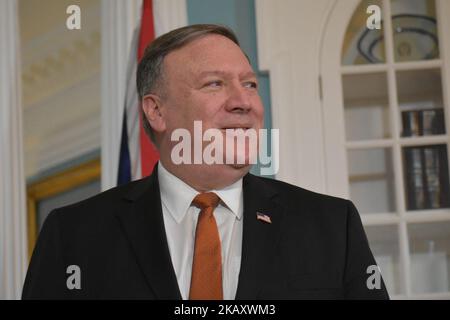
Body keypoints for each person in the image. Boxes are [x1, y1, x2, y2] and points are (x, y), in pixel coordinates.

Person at [22, 24, 389, 300]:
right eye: (215, 84)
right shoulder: (72, 236)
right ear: (156, 111)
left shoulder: (332, 226)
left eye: (249, 84)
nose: (243, 101)